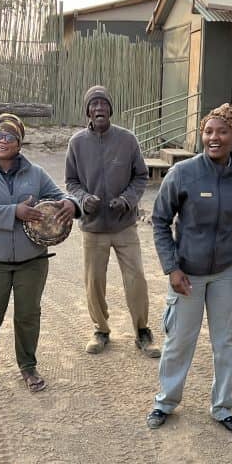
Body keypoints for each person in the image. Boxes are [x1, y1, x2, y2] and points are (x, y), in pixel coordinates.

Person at [146, 104, 232, 435]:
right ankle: (165, 402)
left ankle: (223, 407)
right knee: (179, 341)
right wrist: (171, 267)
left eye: (222, 132)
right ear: (202, 135)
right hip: (187, 273)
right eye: (208, 131)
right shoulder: (183, 174)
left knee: (226, 342)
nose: (214, 138)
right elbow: (159, 221)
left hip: (227, 271)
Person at [0, 113, 79, 395]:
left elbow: (60, 196)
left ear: (19, 143)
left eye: (9, 136)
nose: (2, 141)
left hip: (32, 262)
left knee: (28, 315)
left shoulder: (35, 173)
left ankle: (28, 367)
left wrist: (71, 203)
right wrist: (15, 212)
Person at [65, 85, 159, 358]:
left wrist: (127, 199)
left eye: (103, 104)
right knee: (94, 281)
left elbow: (141, 176)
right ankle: (101, 330)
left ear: (110, 109)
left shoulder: (127, 140)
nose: (99, 109)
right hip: (93, 227)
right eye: (93, 105)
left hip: (124, 225)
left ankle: (142, 332)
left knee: (137, 278)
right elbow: (71, 181)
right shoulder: (77, 143)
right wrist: (83, 199)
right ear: (87, 112)